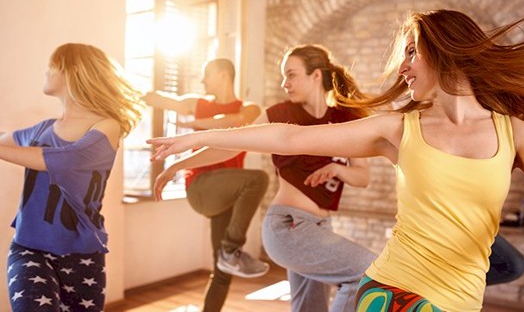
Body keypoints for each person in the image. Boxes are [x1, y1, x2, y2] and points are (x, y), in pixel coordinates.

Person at [147, 10, 524, 312]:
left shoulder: (514, 132)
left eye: (412, 52)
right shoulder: (398, 128)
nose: (402, 68)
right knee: (350, 277)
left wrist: (338, 169)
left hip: (456, 298)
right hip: (385, 287)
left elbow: (359, 176)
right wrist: (195, 139)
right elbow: (287, 138)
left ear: (447, 48)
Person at [151, 44, 377, 312]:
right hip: (288, 226)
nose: (284, 83)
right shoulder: (280, 114)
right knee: (367, 273)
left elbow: (362, 176)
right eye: (284, 76)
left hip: (320, 228)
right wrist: (178, 165)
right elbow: (230, 144)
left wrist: (339, 170)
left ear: (316, 75)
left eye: (291, 75)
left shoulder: (344, 118)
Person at [2, 43, 144, 312]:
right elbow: (4, 143)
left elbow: (67, 161)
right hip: (29, 248)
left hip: (83, 256)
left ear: (73, 71)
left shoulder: (105, 126)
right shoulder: (40, 130)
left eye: (52, 66)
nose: (45, 72)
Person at [143, 58, 270, 312]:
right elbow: (162, 100)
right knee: (258, 178)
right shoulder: (196, 103)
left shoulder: (250, 109)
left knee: (222, 269)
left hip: (229, 195)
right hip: (201, 187)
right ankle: (232, 248)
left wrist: (194, 127)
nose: (202, 81)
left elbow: (232, 121)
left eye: (207, 75)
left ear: (224, 75)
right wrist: (135, 92)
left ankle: (227, 259)